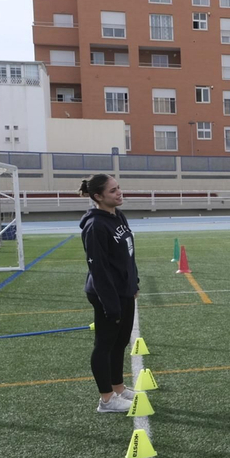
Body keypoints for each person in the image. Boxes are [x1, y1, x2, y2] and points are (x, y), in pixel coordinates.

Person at [79, 174, 139, 415]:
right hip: (107, 294)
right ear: (98, 196)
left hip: (124, 291)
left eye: (119, 188)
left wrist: (133, 282)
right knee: (104, 345)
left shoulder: (118, 215)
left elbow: (128, 254)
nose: (119, 193)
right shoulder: (95, 226)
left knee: (120, 342)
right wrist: (111, 303)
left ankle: (119, 388)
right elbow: (99, 269)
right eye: (113, 190)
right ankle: (106, 399)